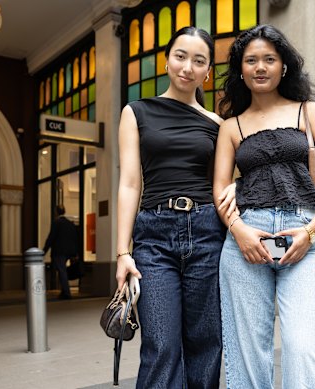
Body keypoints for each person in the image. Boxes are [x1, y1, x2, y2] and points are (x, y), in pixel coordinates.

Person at [213, 24, 315, 388]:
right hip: (247, 239)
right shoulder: (231, 127)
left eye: (269, 59)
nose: (260, 67)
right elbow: (220, 190)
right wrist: (239, 232)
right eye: (251, 60)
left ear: (283, 66)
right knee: (247, 349)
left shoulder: (309, 112)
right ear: (240, 69)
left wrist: (310, 232)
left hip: (303, 232)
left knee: (300, 344)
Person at [115, 26, 235, 388]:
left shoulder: (218, 124)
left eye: (199, 61)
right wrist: (123, 252)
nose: (188, 67)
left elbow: (227, 181)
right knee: (160, 345)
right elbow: (130, 184)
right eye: (181, 56)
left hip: (207, 233)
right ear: (167, 61)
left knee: (206, 343)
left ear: (208, 72)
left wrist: (238, 191)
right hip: (153, 237)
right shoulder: (136, 112)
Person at [43, 204, 78, 299]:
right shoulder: (70, 223)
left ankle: (66, 292)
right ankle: (64, 291)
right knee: (63, 270)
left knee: (61, 270)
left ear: (56, 212)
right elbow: (75, 238)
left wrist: (44, 250)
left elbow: (51, 237)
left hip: (59, 251)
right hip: (69, 252)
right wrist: (75, 253)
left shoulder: (56, 222)